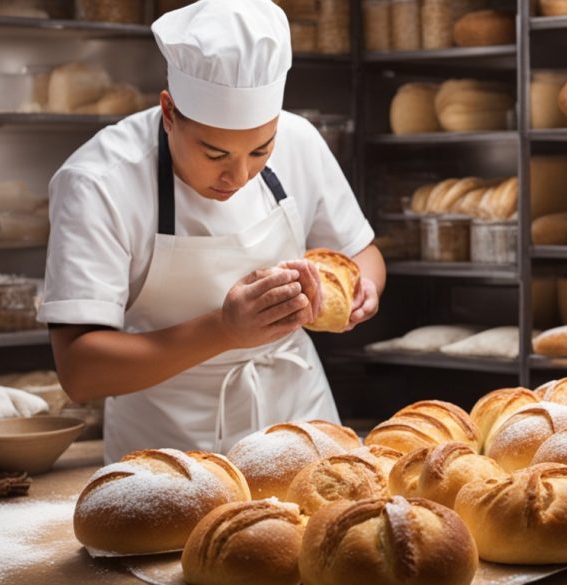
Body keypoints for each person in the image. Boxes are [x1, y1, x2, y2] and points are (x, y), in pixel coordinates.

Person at [37, 0, 384, 463]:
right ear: (169, 111)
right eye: (216, 154)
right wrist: (225, 329)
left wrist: (364, 290)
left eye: (260, 151)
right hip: (169, 450)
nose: (238, 176)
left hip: (301, 427)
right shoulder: (99, 181)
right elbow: (81, 371)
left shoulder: (300, 140)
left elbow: (361, 253)